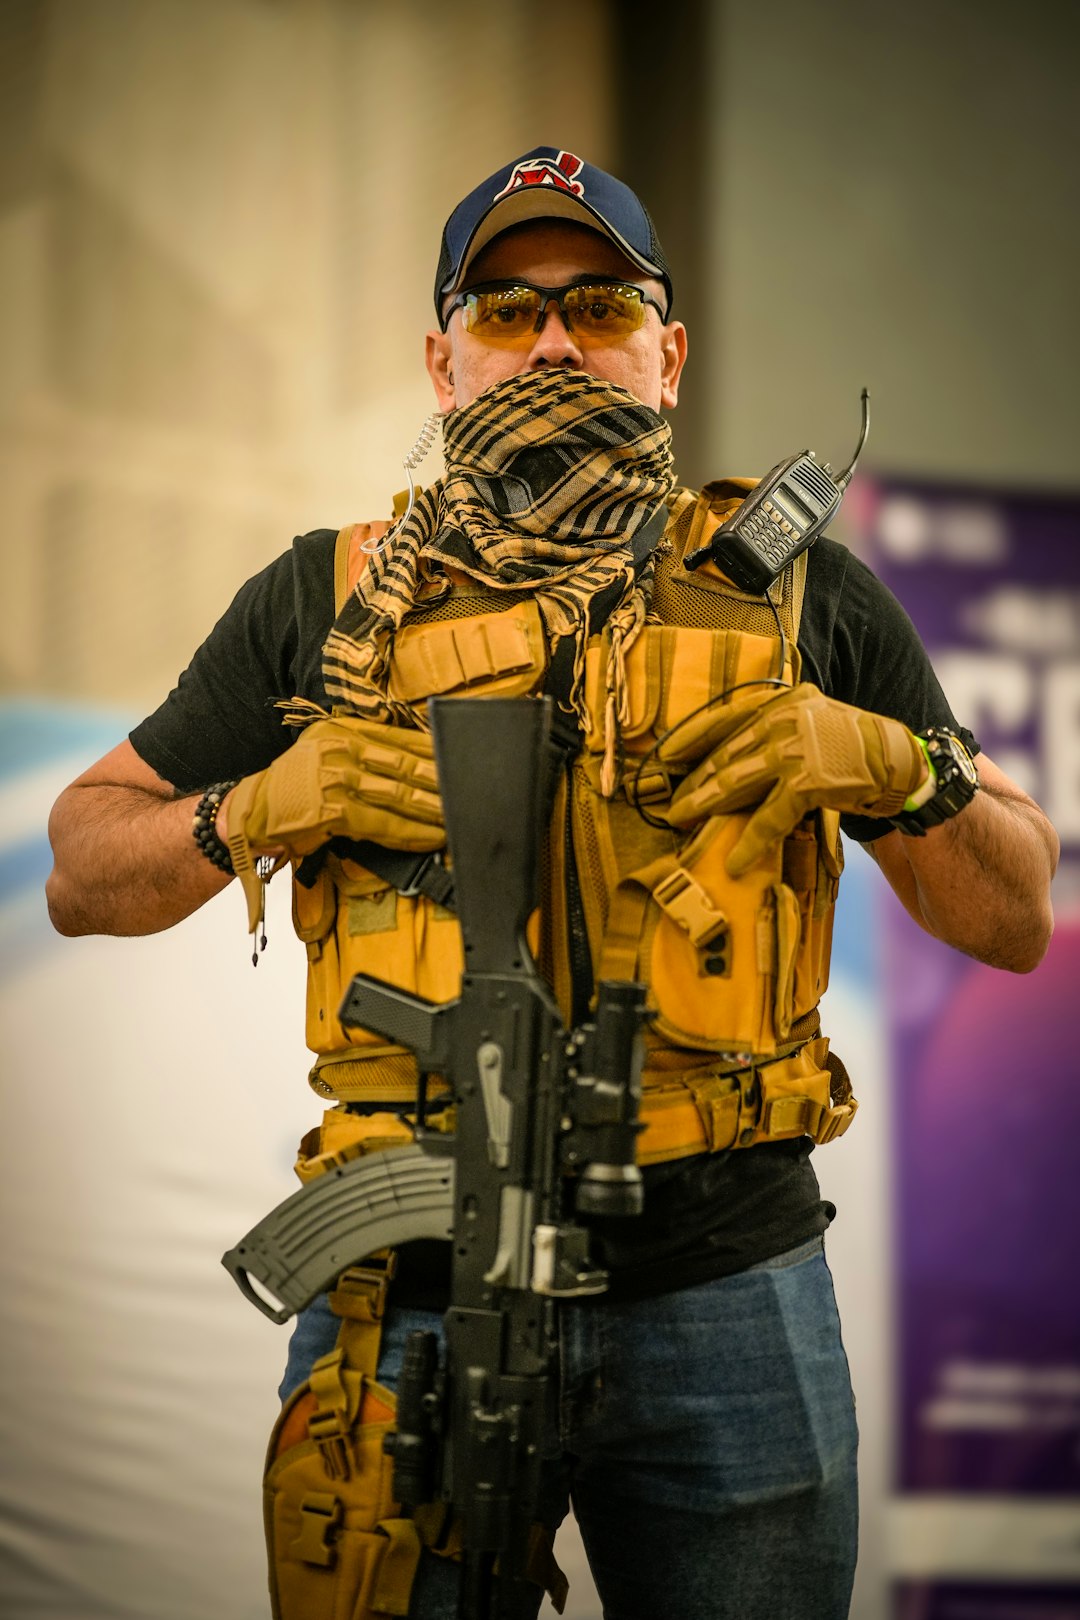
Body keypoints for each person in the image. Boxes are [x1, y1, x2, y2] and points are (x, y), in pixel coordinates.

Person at [47, 147, 1058, 1620]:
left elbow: (1017, 912)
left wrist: (893, 763)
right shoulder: (328, 601)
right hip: (406, 1283)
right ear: (442, 361)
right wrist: (260, 803)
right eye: (508, 314)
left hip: (731, 1287)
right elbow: (83, 863)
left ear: (669, 350)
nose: (556, 341)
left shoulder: (799, 598)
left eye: (596, 304)